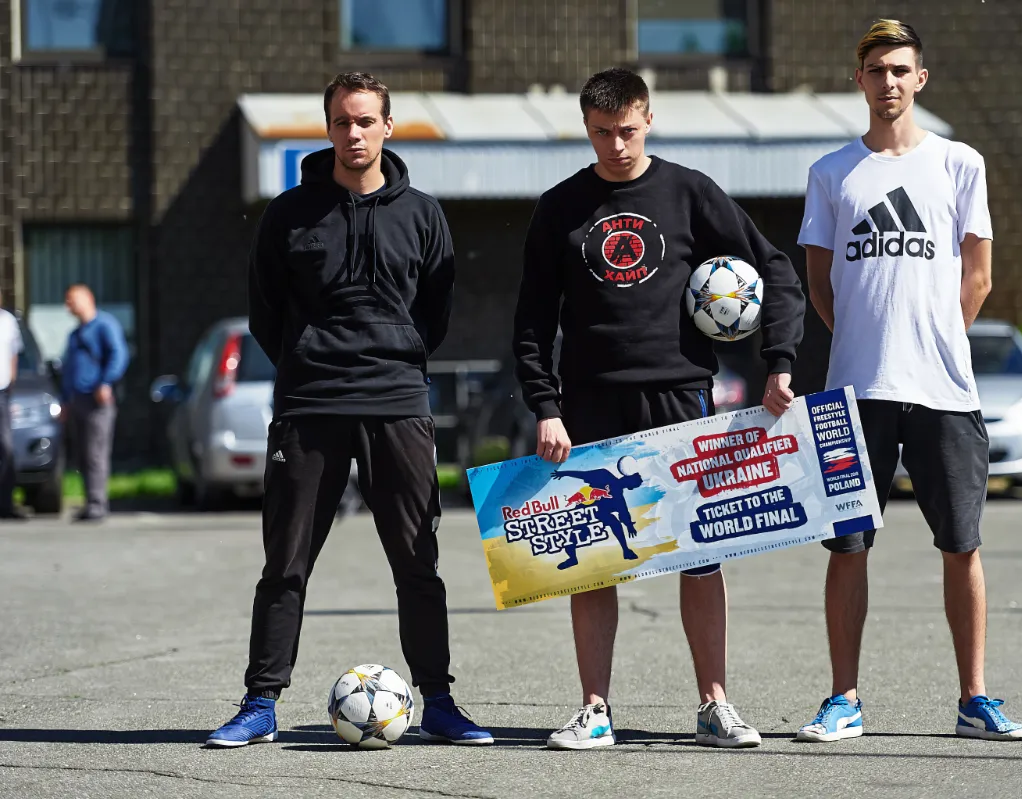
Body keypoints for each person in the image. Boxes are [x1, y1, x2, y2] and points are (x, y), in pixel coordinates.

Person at [514, 67, 806, 750]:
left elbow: (776, 269)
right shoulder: (560, 207)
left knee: (700, 554)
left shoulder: (689, 192)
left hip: (679, 394)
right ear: (585, 128)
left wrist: (780, 362)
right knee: (593, 560)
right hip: (589, 399)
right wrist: (546, 405)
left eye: (627, 130)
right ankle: (594, 708)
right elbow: (531, 320)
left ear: (648, 119)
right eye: (601, 133)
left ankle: (714, 705)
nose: (616, 145)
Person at [206, 72, 493, 748]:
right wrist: (309, 360)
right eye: (342, 121)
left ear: (388, 127)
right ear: (328, 127)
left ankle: (442, 701)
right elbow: (266, 312)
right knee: (286, 561)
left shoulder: (423, 214)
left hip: (396, 402)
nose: (354, 133)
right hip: (310, 404)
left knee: (417, 559)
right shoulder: (288, 213)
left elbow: (436, 312)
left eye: (366, 121)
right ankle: (260, 702)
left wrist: (397, 353)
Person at [795, 20, 1022, 742]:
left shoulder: (960, 163)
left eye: (901, 69)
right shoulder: (832, 173)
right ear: (858, 79)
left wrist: (929, 342)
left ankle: (974, 699)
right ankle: (844, 698)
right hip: (856, 392)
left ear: (919, 79)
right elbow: (821, 287)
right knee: (848, 547)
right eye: (876, 69)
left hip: (945, 392)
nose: (888, 81)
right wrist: (874, 342)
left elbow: (978, 274)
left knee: (962, 543)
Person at [62, 284, 129, 523]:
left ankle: (98, 504)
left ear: (87, 299)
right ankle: (89, 500)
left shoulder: (104, 326)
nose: (68, 306)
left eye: (72, 300)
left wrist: (105, 382)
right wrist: (65, 399)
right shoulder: (75, 334)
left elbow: (118, 355)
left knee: (95, 453)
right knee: (82, 455)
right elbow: (69, 369)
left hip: (96, 399)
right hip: (77, 400)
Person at [0, 291, 24, 520]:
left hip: (2, 392)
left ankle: (5, 504)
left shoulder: (7, 321)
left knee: (6, 449)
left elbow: (14, 354)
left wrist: (12, 382)